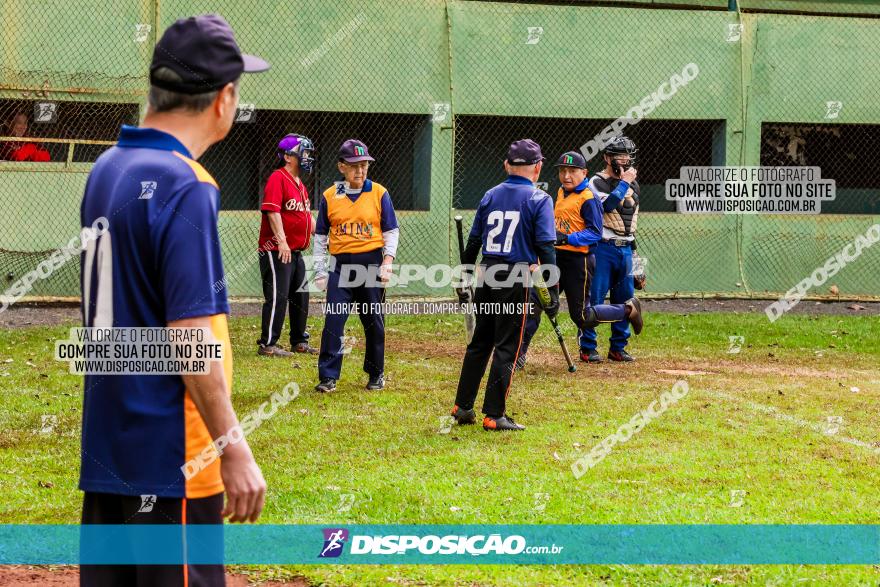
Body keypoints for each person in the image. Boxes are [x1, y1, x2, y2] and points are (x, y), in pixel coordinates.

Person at [78, 14, 268, 586]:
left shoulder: (108, 166)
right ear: (224, 98)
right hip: (175, 461)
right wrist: (233, 449)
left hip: (111, 453)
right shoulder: (186, 181)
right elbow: (190, 339)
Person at [450, 139, 558, 432]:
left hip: (488, 273)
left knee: (480, 344)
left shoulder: (490, 195)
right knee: (507, 348)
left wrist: (465, 274)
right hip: (517, 278)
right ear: (537, 168)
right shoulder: (540, 199)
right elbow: (546, 248)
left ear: (507, 166)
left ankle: (462, 407)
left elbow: (473, 242)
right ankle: (494, 414)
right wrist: (553, 289)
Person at [517, 151, 642, 367]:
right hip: (556, 257)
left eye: (572, 171)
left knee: (582, 316)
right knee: (534, 303)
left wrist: (568, 238)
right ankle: (517, 355)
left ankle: (628, 310)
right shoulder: (560, 192)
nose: (566, 176)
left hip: (579, 262)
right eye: (562, 171)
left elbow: (594, 233)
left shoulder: (588, 197)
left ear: (583, 172)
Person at [312, 139, 399, 393]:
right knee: (334, 320)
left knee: (373, 320)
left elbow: (391, 230)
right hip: (340, 265)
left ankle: (376, 373)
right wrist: (319, 269)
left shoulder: (379, 193)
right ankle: (328, 376)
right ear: (341, 167)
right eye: (354, 166)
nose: (360, 171)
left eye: (364, 165)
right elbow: (320, 238)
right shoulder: (330, 196)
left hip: (371, 262)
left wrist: (387, 261)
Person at [580, 136, 642, 362]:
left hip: (625, 249)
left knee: (626, 300)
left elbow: (631, 224)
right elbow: (606, 207)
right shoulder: (596, 182)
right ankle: (587, 347)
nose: (624, 159)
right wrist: (624, 182)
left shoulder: (633, 183)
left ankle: (618, 347)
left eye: (627, 155)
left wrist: (636, 258)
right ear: (607, 157)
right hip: (603, 248)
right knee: (593, 299)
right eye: (619, 155)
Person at [257, 133, 318, 357]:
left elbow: (307, 216)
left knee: (301, 295)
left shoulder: (300, 184)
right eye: (304, 152)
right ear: (288, 157)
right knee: (278, 296)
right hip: (276, 250)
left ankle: (299, 341)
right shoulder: (278, 178)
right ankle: (268, 345)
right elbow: (272, 211)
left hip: (296, 252)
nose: (308, 157)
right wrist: (281, 242)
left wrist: (324, 236)